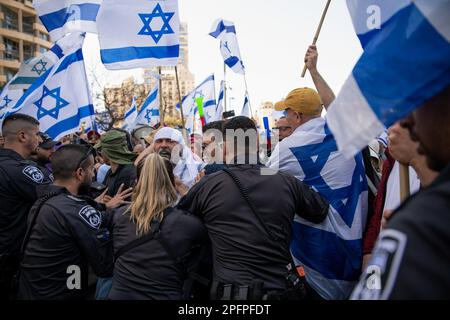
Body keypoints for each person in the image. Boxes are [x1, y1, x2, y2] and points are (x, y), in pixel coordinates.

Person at [178, 116, 329, 300]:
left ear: (224, 147)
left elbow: (179, 224)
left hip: (231, 294)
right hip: (280, 290)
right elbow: (320, 211)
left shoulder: (209, 185)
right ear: (258, 145)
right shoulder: (286, 181)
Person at [266, 45, 368, 299]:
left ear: (297, 116)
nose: (284, 117)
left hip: (320, 251)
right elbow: (336, 107)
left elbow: (262, 185)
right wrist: (313, 70)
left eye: (287, 113)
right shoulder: (347, 131)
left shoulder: (287, 148)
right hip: (357, 241)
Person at [351, 85, 450, 299]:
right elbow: (378, 213)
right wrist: (372, 251)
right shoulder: (392, 161)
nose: (396, 126)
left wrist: (404, 225)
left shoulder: (427, 221)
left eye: (413, 112)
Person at [17, 144, 131, 300]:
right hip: (61, 293)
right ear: (80, 173)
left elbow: (78, 210)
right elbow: (105, 265)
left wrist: (102, 207)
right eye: (91, 170)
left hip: (36, 289)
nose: (93, 175)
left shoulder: (46, 199)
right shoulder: (73, 210)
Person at [109, 153, 209, 300]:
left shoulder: (119, 216)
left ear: (136, 183)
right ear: (172, 183)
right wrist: (192, 194)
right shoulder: (188, 224)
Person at [0, 114, 52, 299]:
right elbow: (56, 197)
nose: (39, 139)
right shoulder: (19, 170)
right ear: (23, 136)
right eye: (37, 134)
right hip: (11, 263)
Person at [94, 130, 137, 199]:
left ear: (108, 151)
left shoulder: (127, 173)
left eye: (101, 149)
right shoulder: (111, 171)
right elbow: (104, 193)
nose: (100, 153)